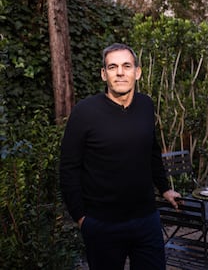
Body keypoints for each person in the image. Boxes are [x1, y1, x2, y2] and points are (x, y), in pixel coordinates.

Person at [59, 43, 181, 270]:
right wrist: (81, 219)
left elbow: (152, 150)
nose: (120, 72)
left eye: (127, 66)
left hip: (147, 220)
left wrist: (164, 188)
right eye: (113, 67)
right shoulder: (84, 112)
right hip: (102, 225)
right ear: (104, 74)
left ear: (138, 72)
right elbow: (68, 168)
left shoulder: (146, 104)